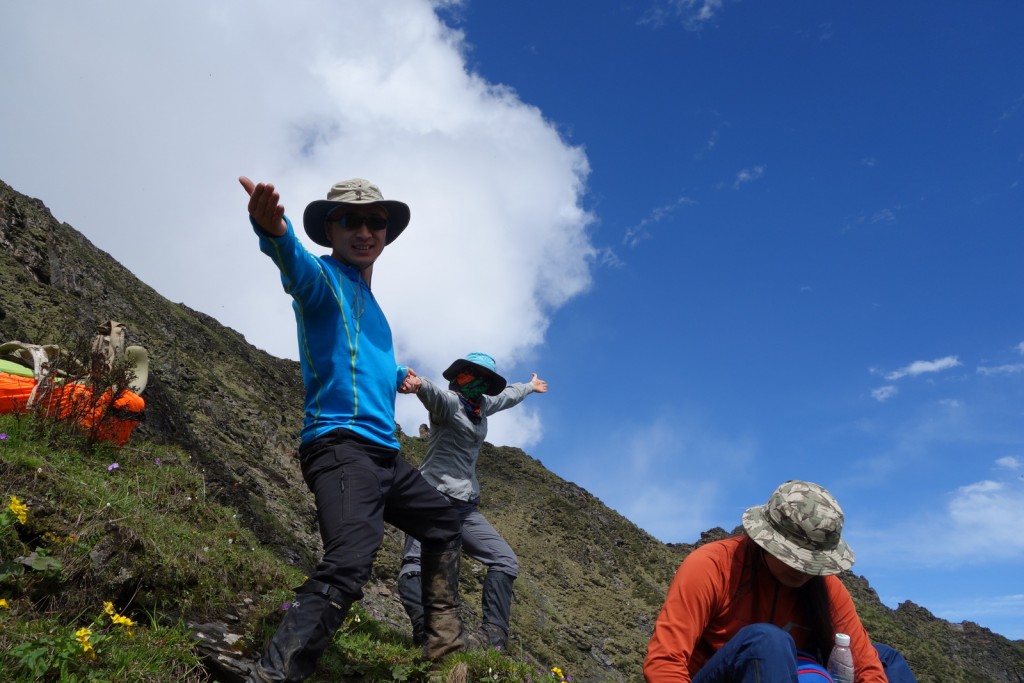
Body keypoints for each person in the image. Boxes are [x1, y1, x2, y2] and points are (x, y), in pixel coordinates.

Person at [239, 176, 475, 682]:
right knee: (350, 560)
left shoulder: (376, 311)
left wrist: (395, 377)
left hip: (384, 454)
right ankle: (276, 673)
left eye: (376, 222)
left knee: (444, 523)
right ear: (331, 228)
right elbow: (294, 266)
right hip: (341, 446)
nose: (365, 231)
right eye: (352, 220)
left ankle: (443, 646)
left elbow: (361, 362)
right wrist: (272, 231)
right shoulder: (323, 281)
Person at [644, 480, 918, 683]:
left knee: (885, 659)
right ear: (766, 540)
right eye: (793, 557)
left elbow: (866, 666)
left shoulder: (826, 587)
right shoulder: (712, 566)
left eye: (813, 563)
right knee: (766, 640)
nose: (802, 571)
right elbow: (664, 663)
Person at [396, 352, 548, 650]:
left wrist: (529, 386)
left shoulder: (483, 405)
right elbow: (433, 393)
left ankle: (493, 637)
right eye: (465, 373)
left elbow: (508, 396)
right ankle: (425, 632)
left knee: (504, 561)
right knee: (414, 565)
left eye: (478, 376)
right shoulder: (450, 403)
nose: (467, 379)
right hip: (432, 497)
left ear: (485, 383)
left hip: (464, 506)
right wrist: (417, 384)